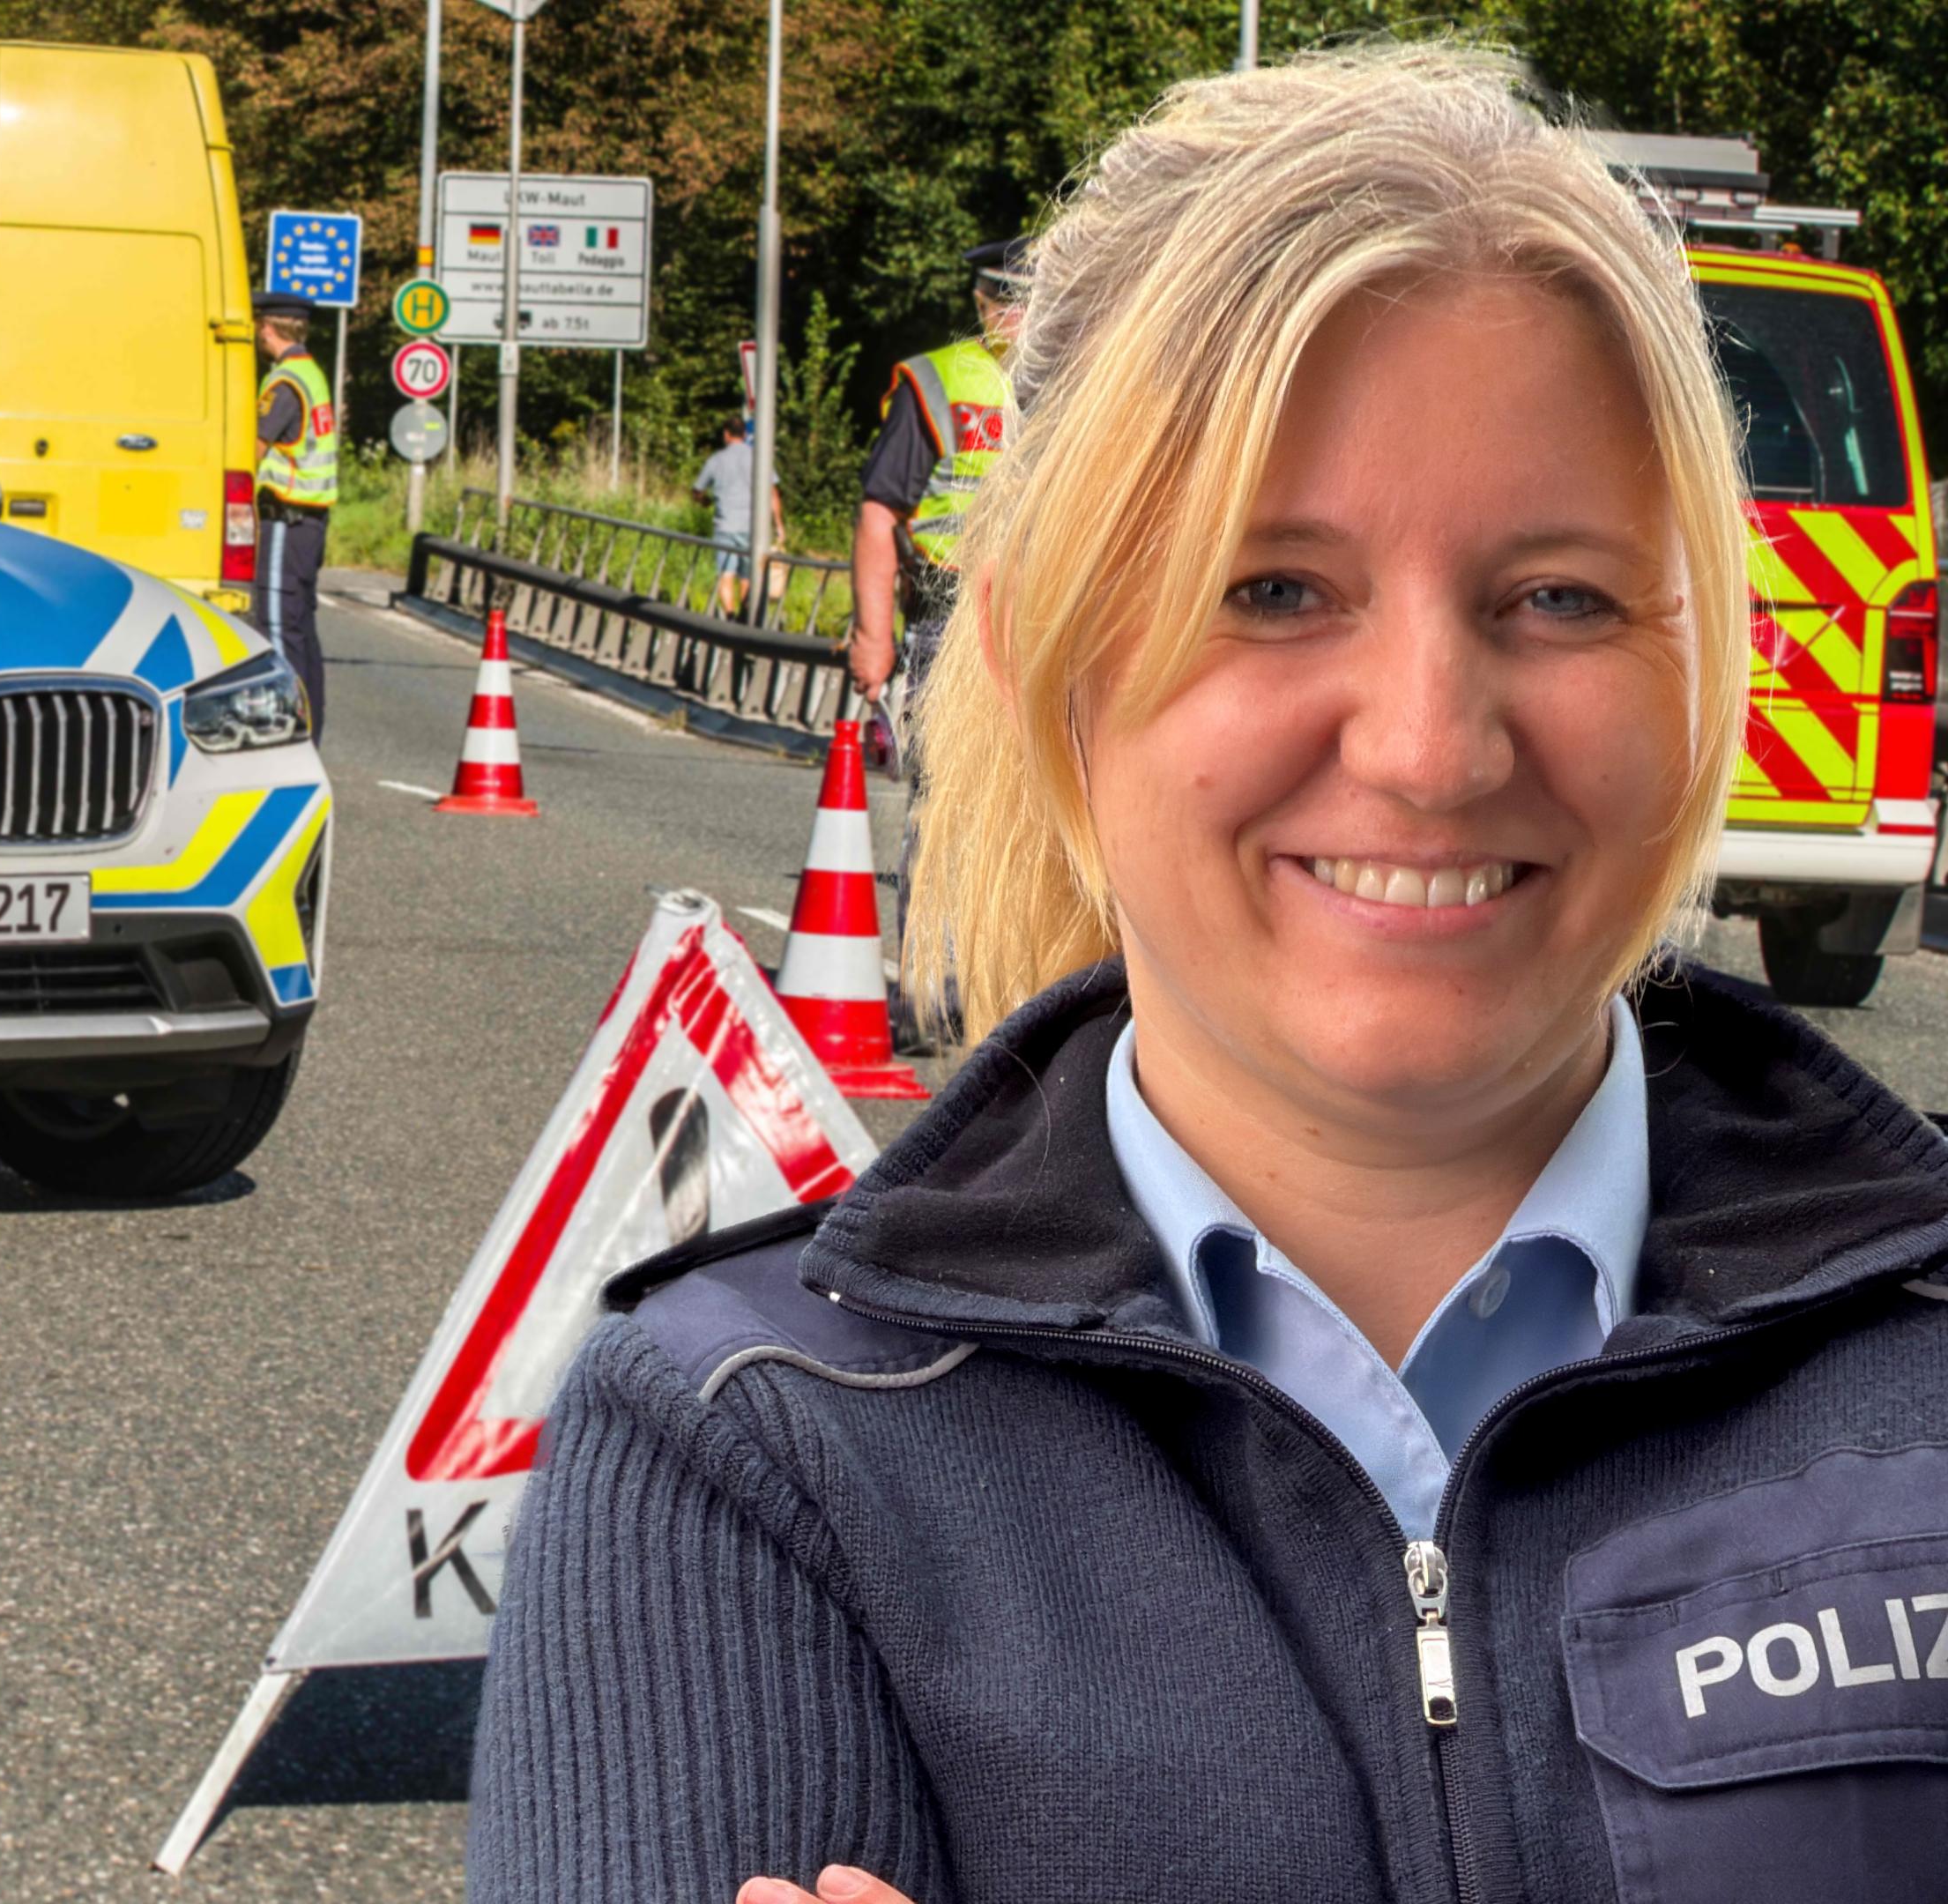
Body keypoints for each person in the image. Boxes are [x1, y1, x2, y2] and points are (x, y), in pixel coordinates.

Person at [471, 45, 1943, 1902]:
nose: (1429, 747)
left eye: (1560, 596)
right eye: (1272, 590)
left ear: (1698, 656)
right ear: (1042, 659)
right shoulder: (755, 1452)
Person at [848, 241, 1022, 717]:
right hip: (950, 612)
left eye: (1029, 301)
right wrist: (873, 637)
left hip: (1048, 616)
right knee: (943, 782)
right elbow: (881, 510)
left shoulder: (1087, 381)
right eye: (1005, 301)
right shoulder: (938, 381)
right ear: (981, 303)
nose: (1017, 315)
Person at [249, 290, 332, 735]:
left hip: (286, 518)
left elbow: (253, 449)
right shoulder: (311, 373)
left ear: (266, 328)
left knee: (279, 630)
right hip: (310, 523)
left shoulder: (283, 383)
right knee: (301, 632)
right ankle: (311, 730)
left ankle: (292, 736)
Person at [692, 415, 783, 617]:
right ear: (745, 434)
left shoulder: (716, 460)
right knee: (746, 576)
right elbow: (773, 494)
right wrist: (778, 525)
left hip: (725, 525)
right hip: (753, 528)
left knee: (726, 575)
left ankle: (731, 616)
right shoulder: (760, 459)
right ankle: (745, 616)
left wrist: (705, 501)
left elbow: (697, 490)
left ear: (726, 434)